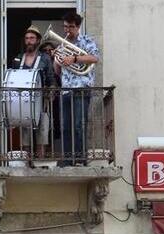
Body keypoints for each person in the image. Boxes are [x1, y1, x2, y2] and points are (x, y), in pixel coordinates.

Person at [55, 13, 100, 165]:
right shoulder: (63, 45)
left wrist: (74, 58)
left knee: (79, 124)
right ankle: (68, 159)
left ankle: (80, 158)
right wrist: (56, 59)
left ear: (78, 26)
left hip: (81, 88)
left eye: (71, 27)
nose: (68, 30)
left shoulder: (86, 40)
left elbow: (94, 58)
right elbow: (58, 71)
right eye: (66, 26)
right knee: (66, 126)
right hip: (66, 89)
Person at [11, 25, 57, 158]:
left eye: (32, 38)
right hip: (23, 102)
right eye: (27, 38)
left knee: (42, 132)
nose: (29, 41)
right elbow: (12, 80)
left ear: (37, 40)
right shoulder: (18, 59)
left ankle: (40, 161)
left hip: (41, 101)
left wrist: (51, 91)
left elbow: (51, 79)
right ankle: (26, 161)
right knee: (25, 133)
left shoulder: (45, 58)